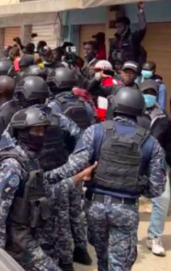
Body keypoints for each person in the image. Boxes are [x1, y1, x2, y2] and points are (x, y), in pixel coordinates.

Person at [45, 87, 167, 271]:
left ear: (115, 106)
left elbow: (73, 166)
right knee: (119, 264)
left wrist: (46, 178)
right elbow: (156, 189)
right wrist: (137, 185)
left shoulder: (95, 132)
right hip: (126, 209)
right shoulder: (151, 143)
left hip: (95, 208)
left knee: (102, 259)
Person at [0, 107, 96, 271]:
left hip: (31, 233)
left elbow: (47, 189)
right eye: (36, 131)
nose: (40, 136)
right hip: (18, 240)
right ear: (22, 132)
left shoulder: (30, 161)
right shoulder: (12, 165)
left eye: (43, 132)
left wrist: (78, 176)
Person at [0, 76, 83, 270]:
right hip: (50, 178)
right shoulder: (57, 117)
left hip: (33, 181)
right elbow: (80, 138)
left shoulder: (21, 119)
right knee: (56, 226)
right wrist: (70, 163)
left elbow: (4, 149)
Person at [46, 67, 95, 265]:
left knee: (62, 212)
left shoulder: (53, 107)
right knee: (77, 209)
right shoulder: (85, 105)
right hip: (80, 162)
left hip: (62, 163)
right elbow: (90, 131)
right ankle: (82, 249)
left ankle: (65, 258)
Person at [139, 80, 171, 257]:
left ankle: (154, 236)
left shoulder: (164, 118)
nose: (149, 95)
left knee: (164, 198)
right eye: (146, 92)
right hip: (133, 162)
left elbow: (168, 145)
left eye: (152, 92)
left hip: (156, 164)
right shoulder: (131, 112)